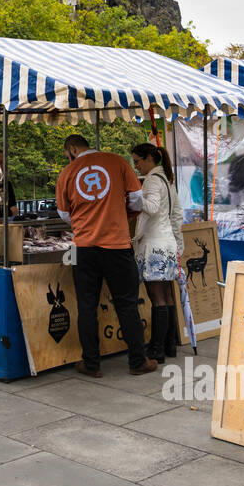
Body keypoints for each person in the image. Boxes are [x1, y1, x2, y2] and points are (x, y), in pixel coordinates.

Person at [56, 133, 156, 377]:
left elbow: (64, 214)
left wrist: (85, 218)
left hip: (83, 247)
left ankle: (91, 363)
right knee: (127, 304)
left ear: (72, 148)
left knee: (86, 305)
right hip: (117, 246)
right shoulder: (118, 162)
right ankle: (137, 361)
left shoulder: (67, 173)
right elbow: (137, 201)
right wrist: (117, 211)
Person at [130, 142, 184, 364]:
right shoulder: (167, 180)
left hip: (154, 246)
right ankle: (170, 345)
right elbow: (177, 214)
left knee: (157, 298)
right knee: (168, 295)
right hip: (168, 243)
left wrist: (132, 198)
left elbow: (150, 207)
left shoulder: (152, 180)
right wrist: (178, 243)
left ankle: (156, 349)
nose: (136, 167)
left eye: (137, 162)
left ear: (149, 159)